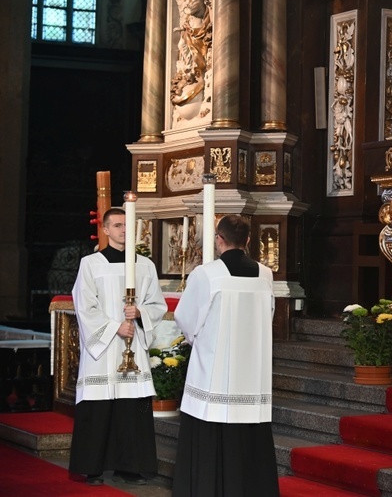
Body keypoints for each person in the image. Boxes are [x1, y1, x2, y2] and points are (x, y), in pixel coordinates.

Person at [172, 215, 280, 496]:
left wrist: (199, 341)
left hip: (214, 373)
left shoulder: (206, 274)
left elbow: (185, 317)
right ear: (247, 241)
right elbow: (269, 315)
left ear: (219, 240)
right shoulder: (265, 274)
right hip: (252, 373)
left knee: (211, 427)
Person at [69, 207, 167, 486]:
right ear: (106, 229)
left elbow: (156, 303)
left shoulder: (145, 265)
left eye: (128, 225)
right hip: (103, 348)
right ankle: (93, 467)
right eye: (118, 225)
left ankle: (131, 467)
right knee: (99, 407)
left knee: (130, 406)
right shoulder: (91, 264)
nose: (124, 230)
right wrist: (114, 327)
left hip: (133, 344)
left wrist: (138, 315)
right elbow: (84, 304)